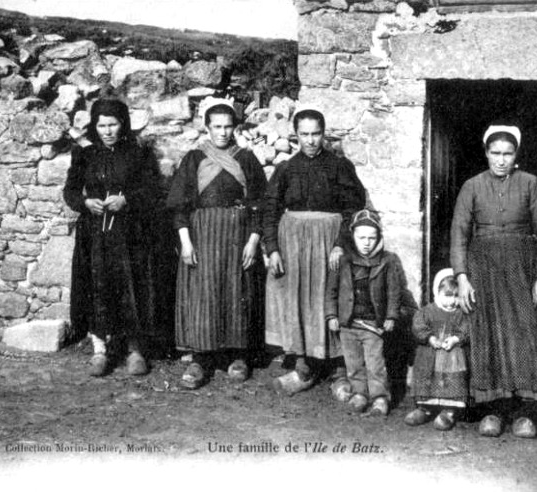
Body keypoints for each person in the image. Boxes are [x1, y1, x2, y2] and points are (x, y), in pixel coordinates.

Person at [450, 124, 537, 438]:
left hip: (522, 270)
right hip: (483, 270)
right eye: (495, 153)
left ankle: (524, 413)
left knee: (524, 335)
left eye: (507, 154)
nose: (501, 160)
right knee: (490, 336)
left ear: (516, 155)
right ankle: (493, 411)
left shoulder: (530, 184)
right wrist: (462, 277)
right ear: (486, 154)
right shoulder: (472, 186)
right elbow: (458, 234)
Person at [263, 107, 367, 396]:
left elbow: (353, 209)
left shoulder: (339, 166)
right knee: (298, 301)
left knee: (328, 298)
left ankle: (338, 370)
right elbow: (270, 209)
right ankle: (304, 367)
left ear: (324, 134)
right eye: (304, 134)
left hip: (328, 243)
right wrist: (272, 249)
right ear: (295, 135)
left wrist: (340, 244)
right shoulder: (285, 169)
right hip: (293, 244)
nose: (310, 140)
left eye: (316, 134)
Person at [166, 101, 268, 389]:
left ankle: (238, 355)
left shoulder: (246, 159)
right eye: (217, 127)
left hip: (238, 234)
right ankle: (201, 358)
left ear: (235, 127)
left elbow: (260, 204)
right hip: (202, 233)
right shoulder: (194, 159)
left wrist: (253, 240)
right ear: (207, 128)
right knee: (203, 292)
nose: (223, 133)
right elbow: (179, 206)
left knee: (238, 290)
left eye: (228, 127)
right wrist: (185, 242)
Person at [63, 98, 158, 377]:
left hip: (130, 233)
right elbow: (70, 191)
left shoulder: (138, 153)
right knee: (97, 286)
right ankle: (100, 349)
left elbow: (153, 190)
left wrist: (126, 199)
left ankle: (134, 349)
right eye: (102, 125)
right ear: (94, 126)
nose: (107, 131)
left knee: (133, 286)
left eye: (113, 124)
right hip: (95, 234)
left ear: (123, 124)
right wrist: (85, 203)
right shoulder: (84, 155)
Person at [325, 209, 404, 415]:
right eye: (361, 238)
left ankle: (379, 398)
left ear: (379, 238)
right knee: (354, 362)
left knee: (375, 363)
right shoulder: (343, 261)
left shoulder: (387, 261)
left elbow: (394, 292)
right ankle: (359, 393)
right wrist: (332, 315)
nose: (366, 242)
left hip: (372, 325)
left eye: (372, 237)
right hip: (348, 324)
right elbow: (331, 290)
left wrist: (391, 316)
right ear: (353, 237)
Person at [404, 268, 470, 431]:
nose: (452, 301)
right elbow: (418, 325)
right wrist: (430, 338)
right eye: (447, 296)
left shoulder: (460, 313)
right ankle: (425, 409)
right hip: (429, 355)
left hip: (452, 357)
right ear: (437, 292)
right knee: (426, 379)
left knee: (452, 383)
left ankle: (449, 411)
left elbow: (466, 329)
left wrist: (455, 339)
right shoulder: (427, 311)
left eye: (456, 296)